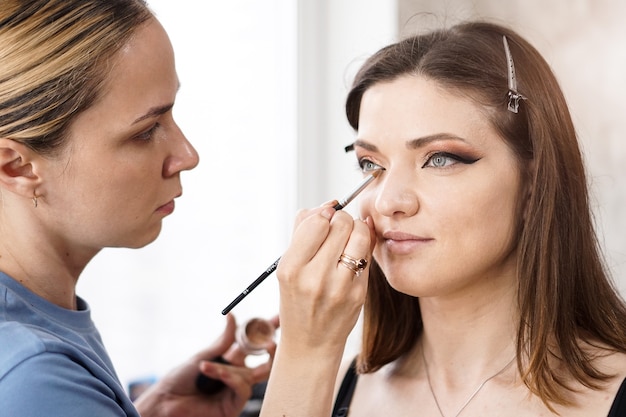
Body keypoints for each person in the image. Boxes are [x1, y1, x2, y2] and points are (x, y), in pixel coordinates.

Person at [259, 20, 626, 416]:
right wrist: (304, 355)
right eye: (371, 164)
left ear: (534, 181)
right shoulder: (323, 388)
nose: (388, 202)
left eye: (440, 158)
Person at [0, 1, 273, 416]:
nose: (187, 155)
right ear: (16, 167)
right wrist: (313, 351)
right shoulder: (34, 375)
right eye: (146, 132)